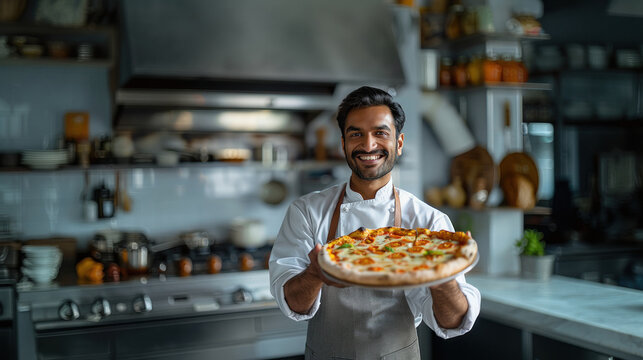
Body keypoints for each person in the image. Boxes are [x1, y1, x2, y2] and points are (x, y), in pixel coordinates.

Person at [269, 86, 480, 359]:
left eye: (380, 133)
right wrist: (315, 273)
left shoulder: (429, 223)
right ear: (343, 143)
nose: (368, 146)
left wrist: (443, 278)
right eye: (356, 134)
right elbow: (293, 305)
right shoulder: (307, 211)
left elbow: (453, 322)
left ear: (399, 143)